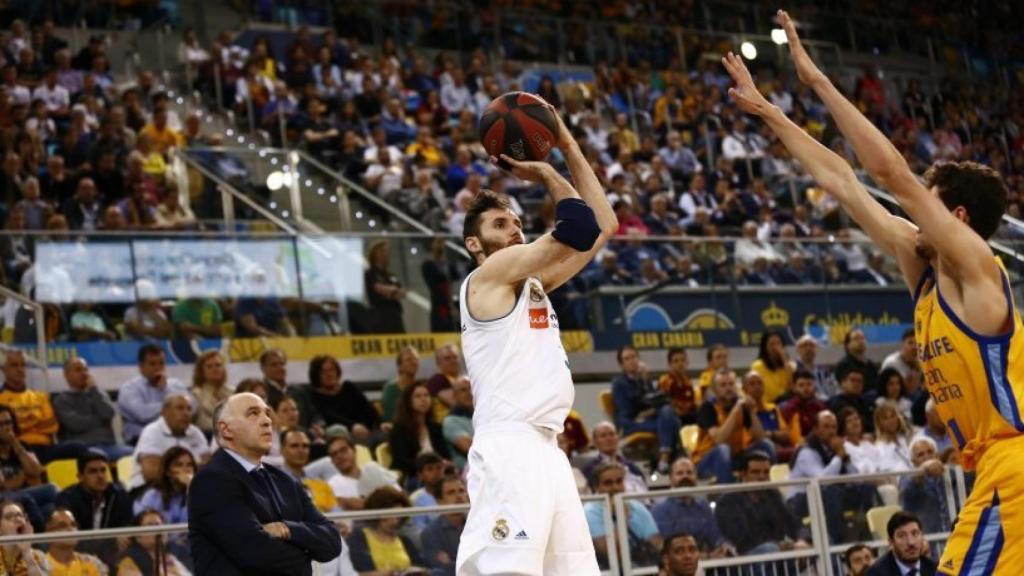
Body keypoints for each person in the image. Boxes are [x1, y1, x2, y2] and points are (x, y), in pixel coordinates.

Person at [732, 20, 1018, 566]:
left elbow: (889, 171)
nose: (912, 214)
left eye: (925, 204)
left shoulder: (978, 268)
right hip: (990, 469)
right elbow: (843, 181)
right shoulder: (924, 265)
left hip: (1015, 467)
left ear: (954, 217)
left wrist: (818, 81)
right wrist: (769, 113)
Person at [455, 98, 616, 576]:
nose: (515, 230)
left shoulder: (532, 286)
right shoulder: (489, 276)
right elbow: (578, 225)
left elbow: (604, 224)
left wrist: (564, 140)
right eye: (500, 225)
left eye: (517, 223)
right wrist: (546, 172)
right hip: (510, 447)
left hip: (547, 450)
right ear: (474, 243)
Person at [188, 392, 341, 575]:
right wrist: (307, 555)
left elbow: (332, 541)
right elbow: (256, 552)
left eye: (267, 413)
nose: (267, 421)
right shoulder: (212, 480)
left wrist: (288, 529)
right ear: (226, 430)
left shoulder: (285, 480)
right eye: (253, 413)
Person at [714, 451, 809, 555]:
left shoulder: (773, 494)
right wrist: (779, 545)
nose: (762, 477)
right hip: (746, 557)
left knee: (812, 546)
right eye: (755, 472)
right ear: (742, 474)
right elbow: (742, 540)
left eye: (766, 472)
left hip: (778, 551)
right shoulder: (728, 500)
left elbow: (793, 521)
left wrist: (802, 540)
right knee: (770, 549)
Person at [54, 449, 134, 566]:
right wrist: (111, 541)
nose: (100, 476)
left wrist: (125, 535)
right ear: (80, 477)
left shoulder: (119, 495)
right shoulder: (67, 499)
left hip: (113, 557)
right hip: (78, 559)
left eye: (103, 470)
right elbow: (73, 540)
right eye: (93, 471)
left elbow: (129, 526)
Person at [692, 369, 771, 484]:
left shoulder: (741, 406)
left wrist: (751, 411)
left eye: (731, 384)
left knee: (766, 445)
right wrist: (735, 411)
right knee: (723, 449)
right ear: (714, 390)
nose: (728, 388)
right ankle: (730, 496)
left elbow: (760, 436)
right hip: (706, 462)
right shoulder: (707, 408)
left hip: (735, 457)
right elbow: (719, 440)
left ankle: (770, 490)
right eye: (723, 385)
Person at [611, 345, 681, 473]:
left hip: (646, 419)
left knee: (667, 412)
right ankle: (670, 459)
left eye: (634, 357)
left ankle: (665, 458)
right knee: (673, 423)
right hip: (630, 423)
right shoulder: (619, 383)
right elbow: (637, 404)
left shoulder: (643, 379)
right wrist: (643, 381)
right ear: (621, 364)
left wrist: (645, 380)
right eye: (627, 359)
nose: (632, 360)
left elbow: (655, 401)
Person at [583, 461, 662, 569]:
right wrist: (622, 518)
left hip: (643, 569)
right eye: (608, 483)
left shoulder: (637, 507)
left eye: (619, 481)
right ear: (596, 487)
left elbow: (657, 545)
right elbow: (610, 554)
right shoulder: (590, 512)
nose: (615, 487)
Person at [52, 358, 130, 460]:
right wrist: (100, 419)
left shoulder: (98, 393)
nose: (84, 373)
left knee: (136, 454)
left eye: (86, 369)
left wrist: (93, 390)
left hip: (109, 446)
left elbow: (108, 414)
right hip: (83, 448)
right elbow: (76, 424)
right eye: (78, 370)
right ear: (66, 375)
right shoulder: (61, 400)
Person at [129, 394, 210, 490]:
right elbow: (150, 473)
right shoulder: (152, 431)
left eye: (189, 409)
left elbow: (208, 466)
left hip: (188, 487)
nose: (186, 413)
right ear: (164, 412)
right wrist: (183, 474)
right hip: (149, 489)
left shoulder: (195, 432)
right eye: (180, 408)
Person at [649, 457, 729, 555]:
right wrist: (706, 556)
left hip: (707, 563)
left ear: (696, 477)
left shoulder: (703, 505)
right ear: (670, 479)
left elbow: (715, 536)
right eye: (680, 473)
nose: (685, 477)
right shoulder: (660, 509)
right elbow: (670, 547)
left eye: (689, 473)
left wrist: (722, 547)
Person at [117, 344, 192, 445]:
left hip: (176, 435)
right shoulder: (129, 388)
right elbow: (142, 414)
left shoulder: (175, 385)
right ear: (141, 366)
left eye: (161, 363)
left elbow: (193, 408)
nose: (158, 368)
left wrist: (166, 390)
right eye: (152, 364)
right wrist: (173, 407)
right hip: (141, 437)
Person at [0, 350, 67, 462]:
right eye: (14, 365)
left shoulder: (40, 396)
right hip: (17, 450)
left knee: (78, 448)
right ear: (3, 370)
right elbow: (9, 430)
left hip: (46, 448)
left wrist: (23, 423)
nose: (20, 369)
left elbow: (52, 425)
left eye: (23, 365)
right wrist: (36, 422)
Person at [346, 486, 426, 572]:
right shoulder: (358, 537)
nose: (396, 520)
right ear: (378, 513)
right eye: (392, 514)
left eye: (400, 515)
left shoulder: (405, 541)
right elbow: (353, 572)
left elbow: (421, 569)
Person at [301, 355, 380, 443]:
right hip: (338, 436)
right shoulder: (313, 396)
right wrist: (352, 426)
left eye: (332, 369)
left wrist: (381, 423)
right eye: (323, 372)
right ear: (316, 375)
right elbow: (329, 417)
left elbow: (368, 408)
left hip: (365, 431)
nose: (329, 374)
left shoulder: (348, 387)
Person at [388, 382, 450, 484]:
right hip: (412, 476)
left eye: (426, 395)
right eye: (418, 396)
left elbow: (445, 455)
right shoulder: (399, 429)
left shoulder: (435, 428)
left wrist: (444, 463)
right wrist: (426, 469)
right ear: (408, 401)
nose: (423, 399)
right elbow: (401, 460)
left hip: (439, 474)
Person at [277, 428, 337, 514]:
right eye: (294, 446)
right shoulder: (272, 482)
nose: (301, 450)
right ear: (282, 450)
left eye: (305, 446)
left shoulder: (322, 485)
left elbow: (338, 515)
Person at [116, 509, 192, 576]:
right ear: (137, 536)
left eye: (159, 524)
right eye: (150, 525)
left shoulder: (177, 553)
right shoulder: (129, 562)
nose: (158, 529)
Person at [421, 474, 469, 576]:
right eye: (451, 493)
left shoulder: (478, 526)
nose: (459, 496)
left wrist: (450, 563)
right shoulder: (430, 533)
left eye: (461, 491)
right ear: (440, 501)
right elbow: (442, 570)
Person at [581, 422, 648, 494]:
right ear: (594, 441)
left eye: (612, 434)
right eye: (603, 436)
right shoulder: (590, 468)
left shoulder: (631, 466)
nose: (609, 438)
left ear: (618, 438)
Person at [133, 446, 195, 524]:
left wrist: (191, 488)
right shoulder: (152, 496)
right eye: (178, 465)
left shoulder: (200, 494)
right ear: (167, 471)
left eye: (189, 465)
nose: (185, 469)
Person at [866, 512, 937, 576]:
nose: (911, 542)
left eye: (915, 534)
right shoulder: (877, 573)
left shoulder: (936, 570)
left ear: (922, 536)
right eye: (902, 536)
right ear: (891, 542)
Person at [43, 508, 108, 576]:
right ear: (48, 533)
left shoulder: (92, 563)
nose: (70, 529)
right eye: (62, 525)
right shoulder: (40, 565)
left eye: (73, 525)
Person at [0, 500, 48, 574]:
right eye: (9, 517)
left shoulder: (38, 556)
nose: (18, 519)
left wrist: (26, 553)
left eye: (20, 515)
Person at [190, 350, 230, 437]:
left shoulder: (232, 392)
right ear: (201, 371)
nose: (215, 369)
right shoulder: (195, 394)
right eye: (209, 366)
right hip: (206, 436)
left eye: (218, 365)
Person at [779, 369, 828, 440]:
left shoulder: (821, 406)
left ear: (814, 386)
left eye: (809, 384)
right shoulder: (789, 409)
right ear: (794, 388)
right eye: (801, 385)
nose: (806, 389)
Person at [657, 348, 699, 425]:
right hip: (673, 418)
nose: (680, 364)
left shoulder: (687, 381)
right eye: (676, 361)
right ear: (669, 364)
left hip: (688, 416)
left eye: (683, 360)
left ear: (687, 362)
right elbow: (662, 405)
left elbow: (692, 403)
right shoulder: (665, 380)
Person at [749, 330, 795, 402]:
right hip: (767, 405)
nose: (775, 347)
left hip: (787, 404)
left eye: (778, 343)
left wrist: (785, 360)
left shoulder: (789, 365)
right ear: (765, 347)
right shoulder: (757, 366)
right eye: (771, 344)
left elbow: (793, 387)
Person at [442, 376, 474, 472]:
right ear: (455, 396)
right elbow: (470, 447)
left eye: (471, 388)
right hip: (468, 473)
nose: (469, 393)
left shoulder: (486, 416)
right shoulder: (450, 421)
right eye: (463, 390)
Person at [380, 346, 419, 423]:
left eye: (416, 359)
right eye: (408, 360)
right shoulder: (391, 389)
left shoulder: (420, 387)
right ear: (400, 366)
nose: (414, 362)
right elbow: (392, 417)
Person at [425, 344, 462, 423]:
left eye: (455, 357)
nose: (453, 361)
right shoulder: (437, 380)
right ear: (438, 363)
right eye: (447, 358)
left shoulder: (464, 380)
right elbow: (457, 403)